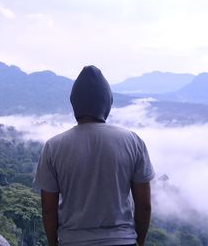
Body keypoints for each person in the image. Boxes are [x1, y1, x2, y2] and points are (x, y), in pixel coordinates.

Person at [34, 65, 155, 246]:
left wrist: (53, 243)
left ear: (74, 103)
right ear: (107, 103)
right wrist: (140, 242)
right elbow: (144, 205)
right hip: (123, 241)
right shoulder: (133, 141)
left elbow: (48, 211)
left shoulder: (54, 147)